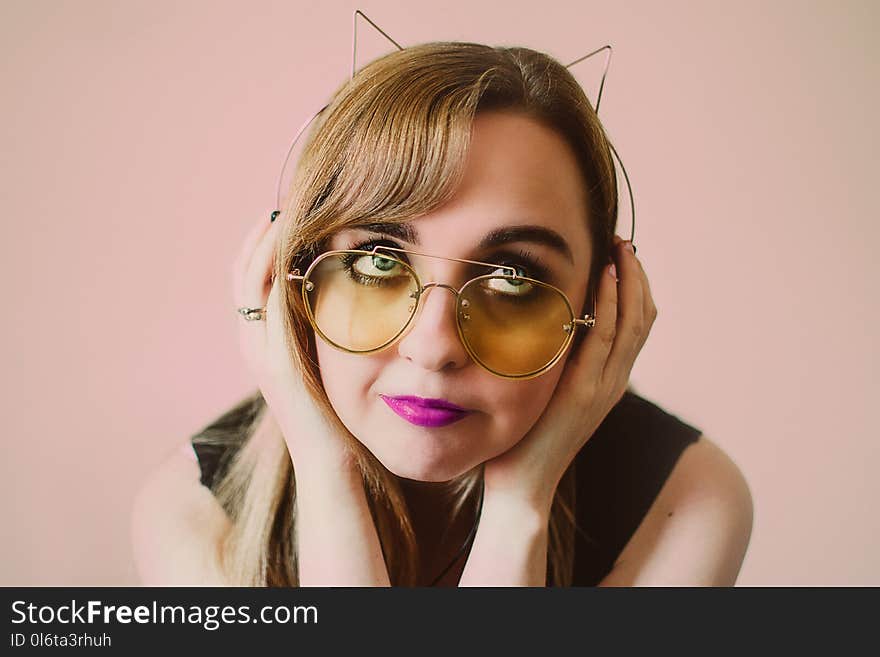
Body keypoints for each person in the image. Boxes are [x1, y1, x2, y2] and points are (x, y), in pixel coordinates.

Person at [131, 42, 753, 587]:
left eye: (514, 275)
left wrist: (519, 510)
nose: (433, 346)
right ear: (290, 278)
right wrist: (327, 477)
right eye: (377, 260)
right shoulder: (192, 511)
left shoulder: (685, 503)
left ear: (604, 303)